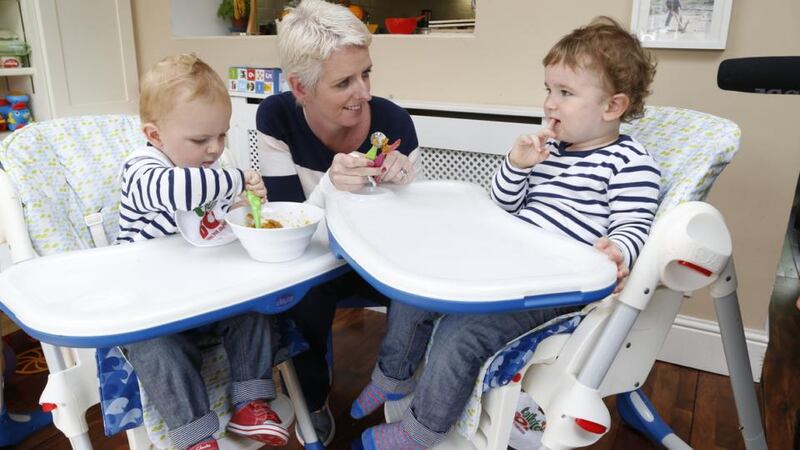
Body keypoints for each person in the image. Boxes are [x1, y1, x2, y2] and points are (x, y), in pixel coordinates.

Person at [353, 17, 660, 450]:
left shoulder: (630, 163)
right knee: (415, 288)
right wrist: (516, 166)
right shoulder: (548, 151)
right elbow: (501, 206)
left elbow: (634, 225)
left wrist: (617, 251)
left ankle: (422, 428)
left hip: (554, 287)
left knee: (460, 335)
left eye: (566, 93)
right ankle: (394, 377)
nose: (550, 104)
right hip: (506, 263)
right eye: (549, 90)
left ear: (613, 107)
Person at [255, 0, 421, 445]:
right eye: (344, 82)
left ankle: (403, 392)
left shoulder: (393, 121)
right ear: (301, 88)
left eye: (366, 73)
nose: (363, 92)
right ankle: (310, 399)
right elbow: (293, 232)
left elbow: (404, 236)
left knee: (423, 289)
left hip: (378, 260)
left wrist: (403, 184)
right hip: (315, 258)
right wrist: (330, 185)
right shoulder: (275, 119)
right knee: (299, 295)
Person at [117, 54, 287, 450]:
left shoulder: (209, 169)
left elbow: (220, 225)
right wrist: (235, 179)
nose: (214, 149)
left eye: (222, 136)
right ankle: (194, 435)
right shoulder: (142, 170)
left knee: (253, 306)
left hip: (207, 299)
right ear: (155, 135)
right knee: (150, 345)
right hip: (156, 310)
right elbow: (181, 190)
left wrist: (247, 203)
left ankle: (250, 403)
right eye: (200, 140)